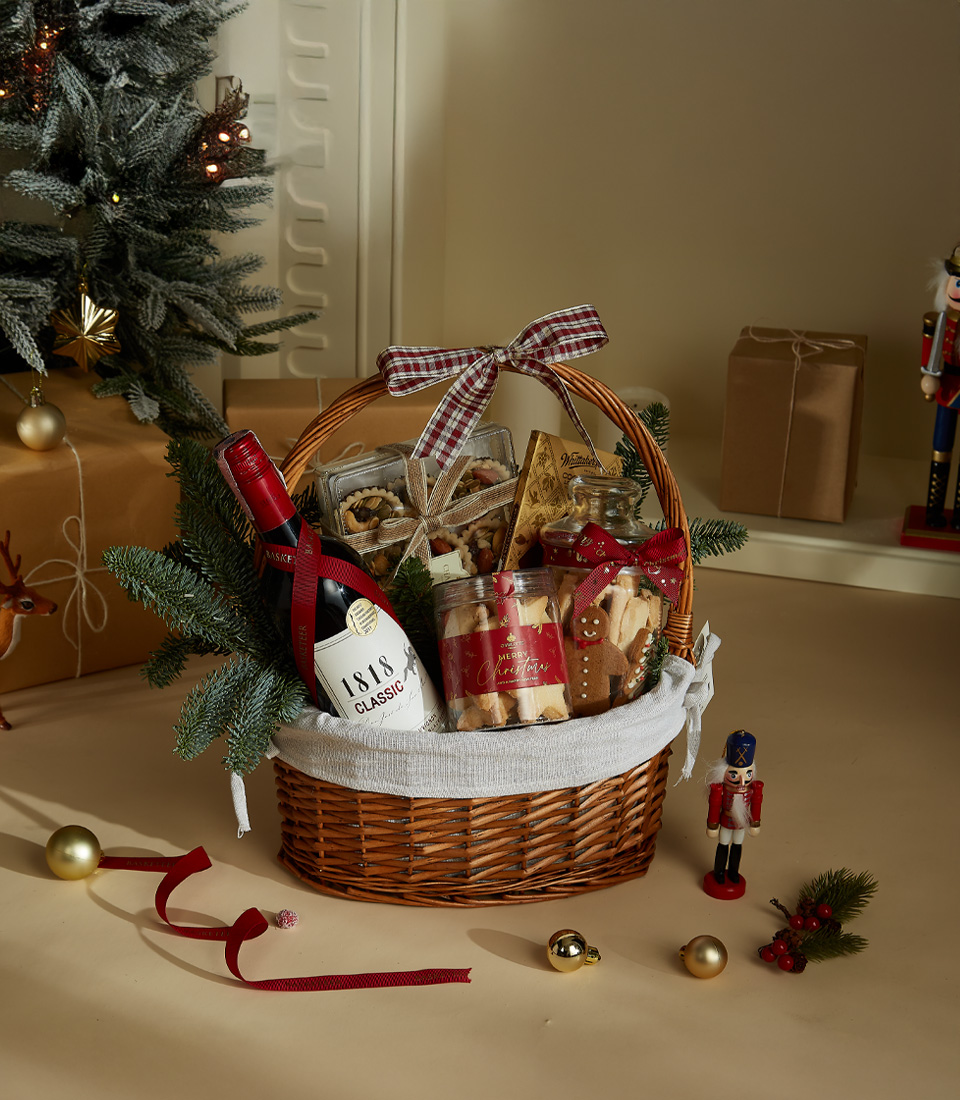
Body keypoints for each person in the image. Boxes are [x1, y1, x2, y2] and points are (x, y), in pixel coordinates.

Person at [919, 245, 960, 529]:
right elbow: (928, 355)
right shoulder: (938, 322)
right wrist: (928, 377)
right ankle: (934, 510)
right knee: (940, 450)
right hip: (947, 390)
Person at [704, 730, 763, 899]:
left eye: (748, 774)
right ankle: (719, 872)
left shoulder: (753, 789)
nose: (742, 781)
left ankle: (734, 872)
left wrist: (755, 823)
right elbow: (714, 806)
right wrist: (712, 825)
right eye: (734, 774)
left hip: (741, 823)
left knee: (737, 846)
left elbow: (756, 805)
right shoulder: (720, 790)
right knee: (723, 844)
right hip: (725, 820)